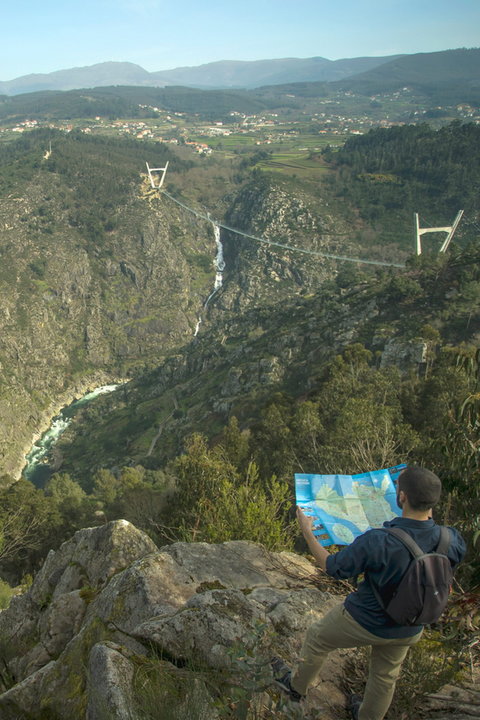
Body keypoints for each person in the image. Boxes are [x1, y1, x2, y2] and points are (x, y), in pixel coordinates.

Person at [272, 466, 466, 720]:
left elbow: (333, 567)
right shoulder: (451, 539)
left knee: (317, 637)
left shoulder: (379, 540)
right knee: (385, 676)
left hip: (365, 620)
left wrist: (308, 532)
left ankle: (295, 688)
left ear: (403, 497)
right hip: (410, 626)